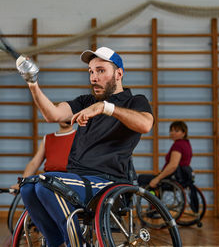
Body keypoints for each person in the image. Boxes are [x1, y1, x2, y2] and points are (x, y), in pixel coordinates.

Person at [16, 46, 153, 247]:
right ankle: (59, 242)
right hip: (77, 179)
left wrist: (106, 108)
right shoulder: (86, 101)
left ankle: (75, 243)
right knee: (28, 186)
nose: (93, 77)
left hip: (108, 182)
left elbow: (145, 124)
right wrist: (32, 82)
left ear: (119, 73)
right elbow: (52, 115)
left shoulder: (135, 101)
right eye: (90, 71)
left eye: (100, 70)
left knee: (46, 185)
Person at [11, 122, 76, 190]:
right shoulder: (48, 138)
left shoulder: (78, 137)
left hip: (69, 179)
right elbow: (34, 163)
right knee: (28, 190)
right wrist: (21, 183)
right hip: (49, 179)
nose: (64, 119)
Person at [137, 121, 193, 189]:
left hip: (174, 178)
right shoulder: (187, 144)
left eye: (176, 131)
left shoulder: (178, 145)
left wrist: (158, 178)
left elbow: (173, 165)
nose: (173, 133)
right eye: (171, 130)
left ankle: (154, 197)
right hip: (184, 177)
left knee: (142, 178)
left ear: (184, 133)